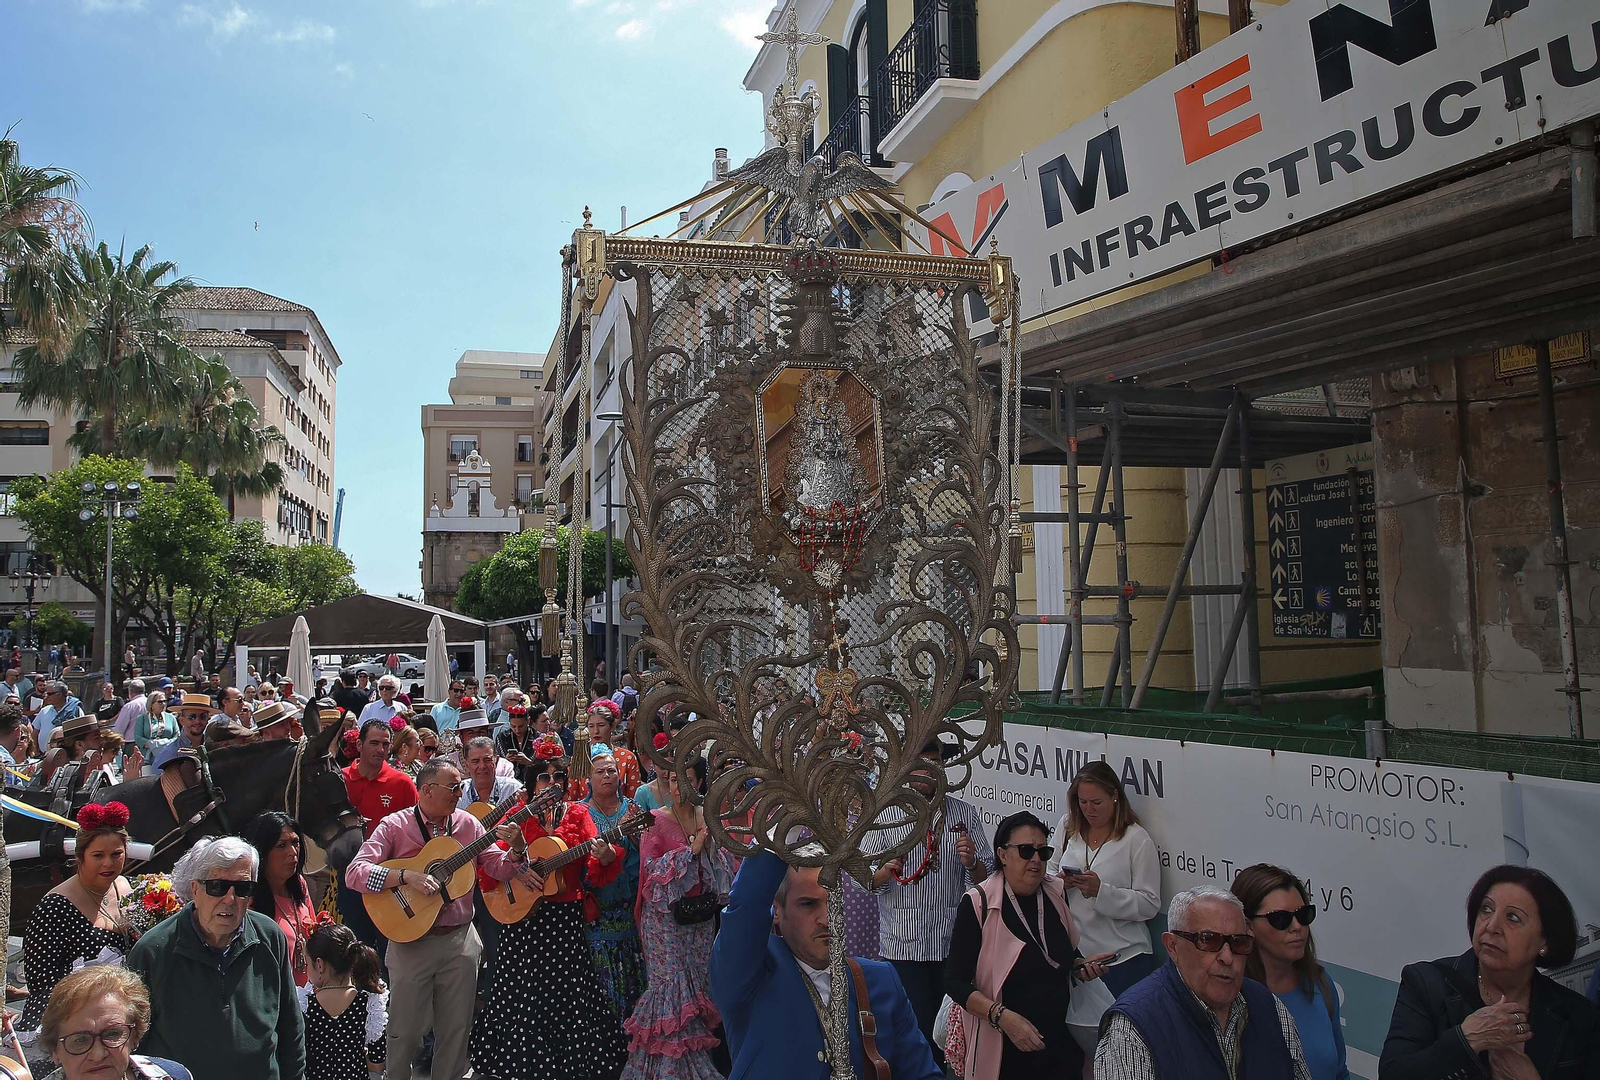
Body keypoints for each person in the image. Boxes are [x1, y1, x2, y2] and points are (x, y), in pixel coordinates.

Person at [345, 758, 529, 1080]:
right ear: (427, 790)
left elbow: (497, 868)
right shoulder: (394, 826)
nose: (460, 792)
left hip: (460, 940)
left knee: (456, 1030)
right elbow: (355, 873)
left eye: (460, 786)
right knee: (404, 1031)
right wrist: (404, 877)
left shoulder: (469, 825)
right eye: (454, 786)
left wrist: (516, 850)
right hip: (411, 941)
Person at [711, 841, 942, 1080]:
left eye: (832, 901)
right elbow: (745, 911)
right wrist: (778, 831)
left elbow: (923, 1074)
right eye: (808, 904)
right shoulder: (751, 975)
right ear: (776, 910)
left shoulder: (881, 979)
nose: (826, 918)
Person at [469, 746, 629, 1080]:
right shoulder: (515, 814)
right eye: (545, 776)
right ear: (530, 785)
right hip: (522, 920)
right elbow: (487, 859)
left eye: (558, 776)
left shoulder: (576, 815)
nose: (552, 782)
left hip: (563, 919)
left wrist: (606, 856)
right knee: (521, 992)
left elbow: (594, 860)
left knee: (568, 993)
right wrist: (515, 866)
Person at [1381, 864, 1598, 1080]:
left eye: (1513, 918)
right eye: (1487, 909)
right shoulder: (1427, 984)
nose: (1492, 926)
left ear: (1545, 942)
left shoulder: (1580, 1016)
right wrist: (1467, 1040)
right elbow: (1392, 1074)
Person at [945, 810, 1111, 1080]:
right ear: (1002, 854)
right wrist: (1002, 1017)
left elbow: (1064, 957)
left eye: (1042, 852)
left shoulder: (1055, 893)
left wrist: (1082, 967)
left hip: (1060, 1047)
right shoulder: (979, 902)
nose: (1035, 860)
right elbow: (954, 981)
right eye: (1025, 851)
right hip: (1005, 1048)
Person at [125, 835, 304, 1079]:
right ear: (195, 890)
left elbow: (290, 1030)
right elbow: (132, 1047)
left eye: (242, 889)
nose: (229, 899)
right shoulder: (153, 951)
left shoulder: (270, 938)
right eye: (217, 887)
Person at [1096, 885, 1313, 1080]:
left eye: (1238, 943)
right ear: (1172, 946)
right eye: (1209, 940)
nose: (1227, 958)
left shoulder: (1269, 1007)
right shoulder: (1133, 1029)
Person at [866, 737, 993, 1063]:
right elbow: (861, 874)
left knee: (948, 1031)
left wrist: (972, 862)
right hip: (903, 946)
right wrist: (885, 871)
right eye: (923, 765)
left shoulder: (962, 813)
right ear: (908, 770)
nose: (930, 772)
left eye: (936, 764)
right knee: (913, 1031)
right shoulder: (885, 814)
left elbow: (987, 878)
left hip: (952, 945)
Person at [622, 757, 732, 1080]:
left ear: (698, 783)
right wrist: (690, 851)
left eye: (684, 779)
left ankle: (698, 1067)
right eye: (670, 780)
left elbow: (721, 878)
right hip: (664, 924)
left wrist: (707, 848)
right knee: (671, 993)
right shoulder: (654, 820)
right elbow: (651, 874)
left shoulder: (707, 818)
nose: (676, 787)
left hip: (699, 921)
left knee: (697, 990)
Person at [20, 802, 136, 1032]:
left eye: (116, 854)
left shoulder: (126, 887)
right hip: (71, 1017)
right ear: (80, 856)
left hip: (129, 1008)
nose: (108, 863)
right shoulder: (54, 907)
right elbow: (43, 985)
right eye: (98, 855)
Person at [1230, 865, 1349, 1080]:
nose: (1297, 927)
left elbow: (1339, 1072)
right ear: (1247, 926)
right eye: (1281, 919)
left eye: (1304, 915)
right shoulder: (1227, 998)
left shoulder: (1321, 985)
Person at [338, 719, 416, 953]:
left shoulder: (402, 783)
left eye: (385, 744)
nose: (380, 750)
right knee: (353, 948)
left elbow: (416, 829)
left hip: (390, 880)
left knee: (388, 949)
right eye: (374, 743)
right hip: (349, 876)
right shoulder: (340, 780)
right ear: (359, 744)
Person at [36, 965, 193, 1080]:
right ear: (55, 1051)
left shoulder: (172, 1076)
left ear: (135, 1036)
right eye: (80, 1040)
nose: (98, 1055)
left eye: (112, 1034)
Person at [583, 744, 646, 1021]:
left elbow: (648, 857)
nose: (607, 775)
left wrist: (636, 841)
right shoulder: (579, 813)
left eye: (612, 770)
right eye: (600, 772)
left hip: (630, 910)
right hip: (596, 913)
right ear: (588, 779)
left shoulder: (633, 809)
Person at [299, 923, 387, 1080]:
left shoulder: (305, 1006)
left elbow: (296, 1056)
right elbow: (377, 1064)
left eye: (307, 964)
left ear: (319, 965)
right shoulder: (370, 1006)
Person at [249, 812, 318, 988]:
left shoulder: (300, 885)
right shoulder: (249, 898)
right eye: (281, 845)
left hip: (309, 995)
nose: (292, 852)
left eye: (295, 843)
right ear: (263, 852)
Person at [568, 703, 639, 801]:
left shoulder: (627, 758)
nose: (596, 731)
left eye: (601, 725)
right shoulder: (580, 759)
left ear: (612, 726)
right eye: (591, 726)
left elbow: (633, 799)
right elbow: (570, 798)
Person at [494, 702, 538, 779]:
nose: (517, 730)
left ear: (528, 721)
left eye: (521, 726)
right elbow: (495, 763)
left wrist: (529, 762)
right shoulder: (502, 737)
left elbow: (544, 766)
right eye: (513, 726)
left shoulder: (537, 737)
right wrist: (505, 761)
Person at [33, 682, 83, 748]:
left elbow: (82, 732)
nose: (47, 696)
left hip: (68, 754)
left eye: (49, 694)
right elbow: (35, 732)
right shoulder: (44, 710)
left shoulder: (76, 710)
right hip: (44, 755)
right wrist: (36, 750)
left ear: (59, 694)